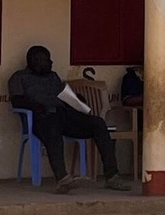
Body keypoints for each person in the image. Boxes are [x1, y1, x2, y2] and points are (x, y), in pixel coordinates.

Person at [8, 45, 132, 193]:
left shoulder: (52, 76)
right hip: (41, 118)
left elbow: (64, 95)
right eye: (47, 60)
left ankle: (112, 176)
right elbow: (16, 101)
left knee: (98, 123)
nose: (51, 62)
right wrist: (35, 106)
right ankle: (62, 179)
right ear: (35, 61)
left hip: (64, 115)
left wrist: (76, 100)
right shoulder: (19, 77)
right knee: (53, 128)